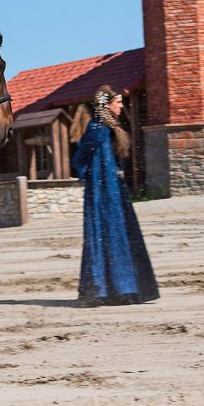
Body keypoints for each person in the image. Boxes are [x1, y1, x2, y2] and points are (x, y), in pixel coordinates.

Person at [70, 85, 159, 307]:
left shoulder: (108, 127)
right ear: (107, 105)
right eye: (118, 102)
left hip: (114, 188)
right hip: (102, 190)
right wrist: (92, 175)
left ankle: (124, 288)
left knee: (120, 233)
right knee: (107, 233)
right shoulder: (98, 128)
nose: (121, 106)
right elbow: (80, 155)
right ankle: (105, 290)